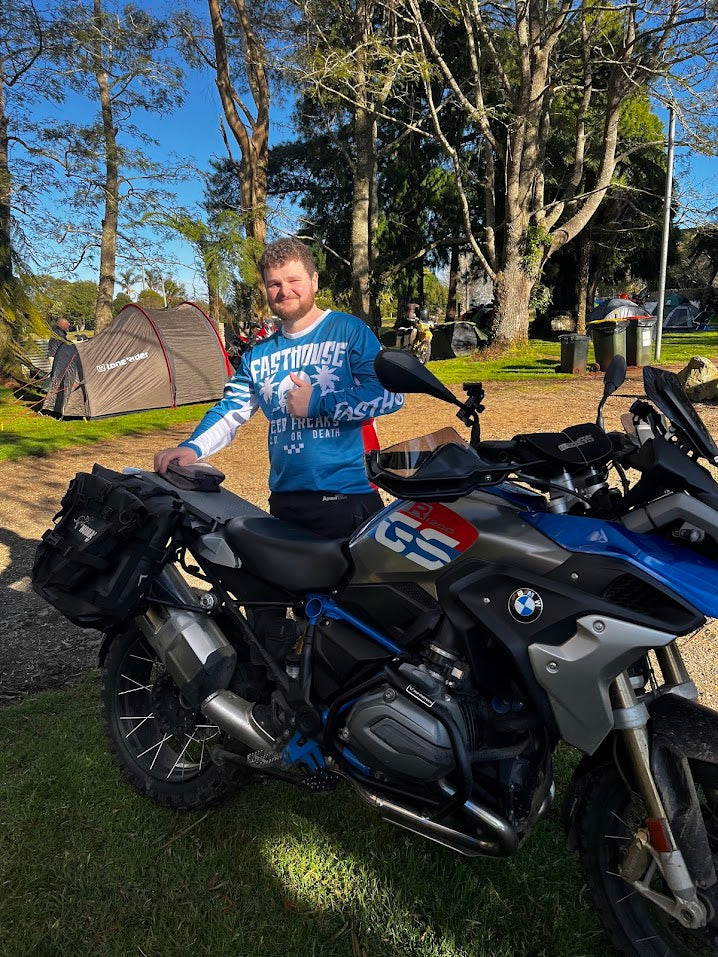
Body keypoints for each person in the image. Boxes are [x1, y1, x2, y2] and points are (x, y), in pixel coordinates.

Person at [154, 237, 404, 540]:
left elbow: (390, 394)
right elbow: (231, 411)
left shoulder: (349, 331)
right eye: (274, 284)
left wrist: (319, 402)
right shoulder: (258, 355)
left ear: (314, 281)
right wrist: (192, 447)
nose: (285, 291)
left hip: (347, 500)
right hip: (285, 503)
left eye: (294, 280)